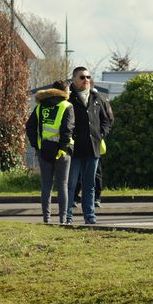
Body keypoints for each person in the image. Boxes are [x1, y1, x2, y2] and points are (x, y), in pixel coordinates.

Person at [65, 66, 113, 224]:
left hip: (93, 148)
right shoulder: (68, 98)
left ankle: (90, 217)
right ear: (74, 79)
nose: (86, 80)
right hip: (75, 149)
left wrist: (101, 135)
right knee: (71, 184)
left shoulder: (96, 97)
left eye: (88, 77)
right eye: (82, 77)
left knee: (89, 185)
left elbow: (107, 119)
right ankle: (67, 217)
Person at [25, 80, 74, 224]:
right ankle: (63, 219)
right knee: (62, 185)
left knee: (46, 185)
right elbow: (68, 129)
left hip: (44, 150)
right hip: (62, 152)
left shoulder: (40, 107)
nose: (70, 92)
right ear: (64, 90)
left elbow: (30, 127)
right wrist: (63, 148)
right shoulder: (67, 105)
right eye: (69, 89)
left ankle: (46, 219)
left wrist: (36, 146)